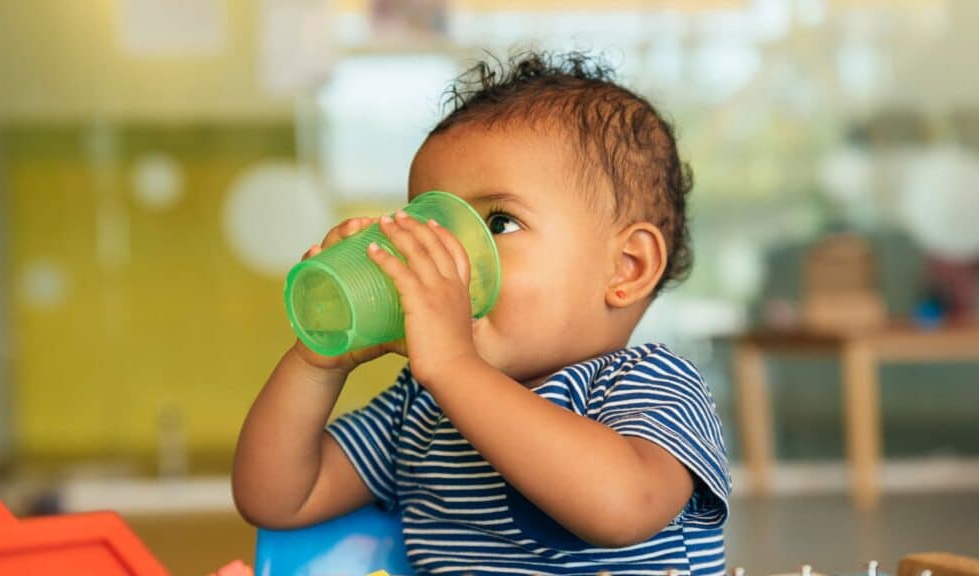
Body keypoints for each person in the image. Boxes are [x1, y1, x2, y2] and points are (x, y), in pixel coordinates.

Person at [233, 50, 730, 576]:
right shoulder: (421, 407)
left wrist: (452, 366)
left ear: (627, 268)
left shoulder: (650, 383)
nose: (454, 259)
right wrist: (316, 363)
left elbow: (622, 508)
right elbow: (278, 498)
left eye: (497, 224)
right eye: (435, 227)